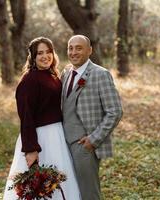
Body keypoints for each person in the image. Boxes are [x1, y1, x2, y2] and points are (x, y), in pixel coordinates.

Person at [3, 37, 81, 200]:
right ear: (33, 56)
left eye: (48, 52)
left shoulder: (51, 75)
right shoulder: (29, 80)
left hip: (57, 135)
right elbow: (26, 117)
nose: (45, 56)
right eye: (40, 53)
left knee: (58, 182)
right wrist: (31, 148)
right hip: (40, 138)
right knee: (39, 187)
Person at [61, 35, 123, 200]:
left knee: (89, 193)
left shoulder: (100, 74)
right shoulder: (66, 73)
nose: (73, 52)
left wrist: (93, 140)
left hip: (84, 145)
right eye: (70, 48)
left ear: (90, 50)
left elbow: (115, 111)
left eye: (79, 48)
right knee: (70, 191)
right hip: (62, 144)